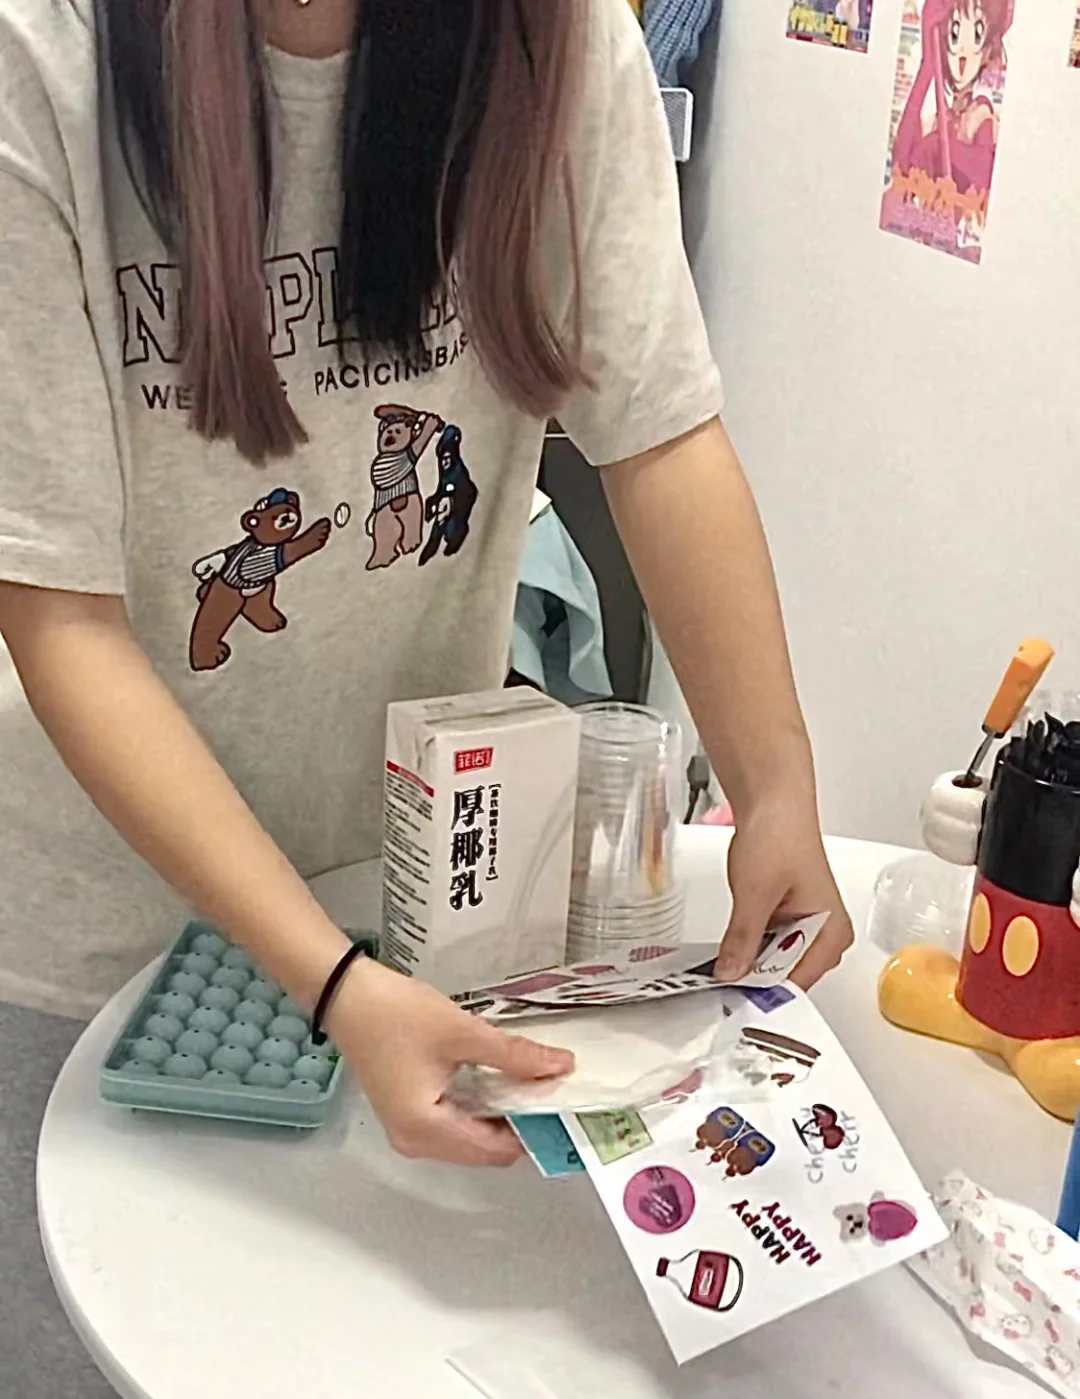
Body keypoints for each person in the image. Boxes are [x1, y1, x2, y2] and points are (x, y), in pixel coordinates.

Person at [0, 0, 852, 1172]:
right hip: (100, 941)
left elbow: (658, 435)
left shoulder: (548, 36)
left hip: (412, 902)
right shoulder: (41, 54)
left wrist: (775, 782)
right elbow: (61, 618)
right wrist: (331, 983)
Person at [893, 0, 1011, 197]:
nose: (963, 53)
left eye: (977, 34)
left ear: (988, 49)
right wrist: (927, 66)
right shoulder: (938, 120)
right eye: (954, 34)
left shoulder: (980, 117)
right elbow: (900, 166)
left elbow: (985, 175)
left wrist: (942, 145)